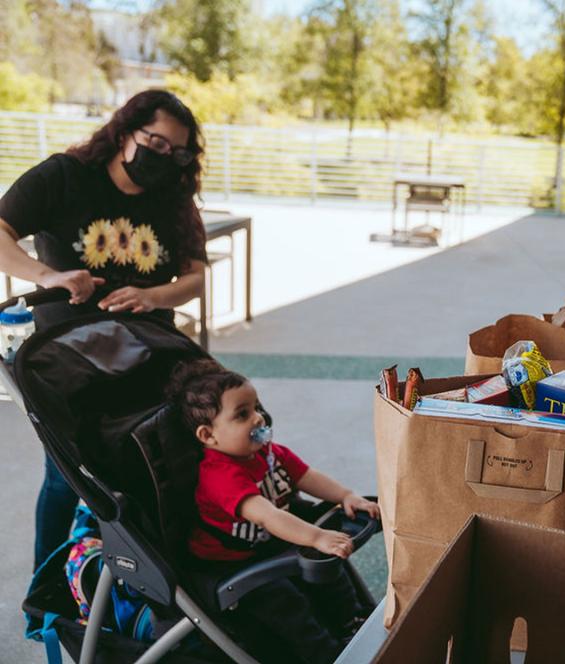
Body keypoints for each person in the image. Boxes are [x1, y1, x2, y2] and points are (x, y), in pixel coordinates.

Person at [0, 90, 210, 572]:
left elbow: (195, 278)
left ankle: (150, 576)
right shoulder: (65, 177)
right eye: (154, 142)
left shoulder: (174, 198)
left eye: (175, 152)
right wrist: (46, 276)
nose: (163, 158)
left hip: (151, 355)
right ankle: (50, 589)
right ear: (123, 130)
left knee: (157, 464)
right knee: (67, 477)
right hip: (71, 361)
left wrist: (152, 296)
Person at [166, 359, 380, 664]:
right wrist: (316, 536)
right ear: (208, 436)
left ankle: (352, 623)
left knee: (330, 565)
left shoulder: (266, 453)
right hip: (231, 565)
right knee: (286, 603)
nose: (257, 419)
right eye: (242, 415)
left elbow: (307, 476)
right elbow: (268, 515)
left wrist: (346, 495)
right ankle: (326, 655)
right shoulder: (220, 476)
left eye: (255, 408)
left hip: (268, 544)